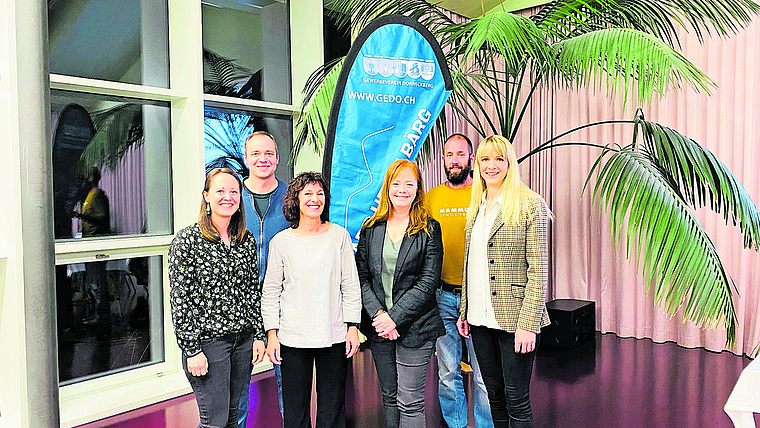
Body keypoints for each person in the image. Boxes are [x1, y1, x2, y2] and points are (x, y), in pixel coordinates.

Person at [456, 136, 551, 428]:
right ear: (477, 164)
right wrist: (464, 310)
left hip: (515, 321)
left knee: (516, 400)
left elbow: (539, 270)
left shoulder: (530, 204)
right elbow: (470, 264)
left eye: (499, 159)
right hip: (480, 319)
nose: (491, 166)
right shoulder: (477, 206)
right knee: (494, 396)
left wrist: (528, 324)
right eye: (485, 159)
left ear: (510, 163)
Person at [262, 172, 362, 428]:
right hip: (293, 336)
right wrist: (272, 334)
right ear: (296, 199)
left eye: (319, 194)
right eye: (307, 193)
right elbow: (271, 290)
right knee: (295, 410)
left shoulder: (338, 236)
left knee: (333, 406)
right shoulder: (281, 242)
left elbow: (350, 284)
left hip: (334, 333)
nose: (314, 199)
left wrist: (353, 327)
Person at [168, 167, 267, 428]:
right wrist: (192, 350)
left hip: (243, 341)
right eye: (220, 191)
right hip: (209, 345)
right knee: (215, 421)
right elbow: (180, 300)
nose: (228, 197)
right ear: (206, 196)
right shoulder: (188, 240)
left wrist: (258, 334)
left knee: (233, 419)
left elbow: (250, 292)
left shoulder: (245, 240)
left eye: (234, 191)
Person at [355, 159, 444, 428]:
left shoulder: (429, 228)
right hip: (380, 327)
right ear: (387, 187)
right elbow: (362, 277)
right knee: (390, 396)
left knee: (410, 401)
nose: (402, 189)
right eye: (396, 183)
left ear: (418, 189)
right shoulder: (371, 228)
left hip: (416, 327)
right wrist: (379, 316)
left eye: (409, 183)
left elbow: (428, 282)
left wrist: (394, 317)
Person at [426, 134, 494, 428]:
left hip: (479, 297)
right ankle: (456, 425)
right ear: (443, 160)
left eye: (460, 154)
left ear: (471, 159)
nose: (454, 160)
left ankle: (486, 424)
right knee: (448, 370)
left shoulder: (485, 195)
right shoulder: (431, 198)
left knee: (483, 373)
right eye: (448, 154)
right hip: (442, 296)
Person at [237, 130, 290, 428]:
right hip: (240, 302)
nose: (262, 159)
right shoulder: (234, 196)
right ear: (246, 158)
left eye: (268, 153)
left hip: (282, 301)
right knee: (238, 382)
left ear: (277, 158)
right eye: (256, 153)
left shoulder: (290, 197)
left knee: (288, 378)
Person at [74, 167, 111, 324]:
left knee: (97, 280)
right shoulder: (89, 196)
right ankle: (96, 313)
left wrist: (82, 216)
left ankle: (101, 315)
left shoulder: (98, 195)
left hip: (96, 242)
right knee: (92, 280)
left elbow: (101, 217)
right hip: (88, 242)